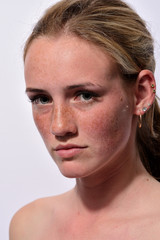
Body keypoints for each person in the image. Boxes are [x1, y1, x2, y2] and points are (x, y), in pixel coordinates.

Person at [10, 0, 160, 239]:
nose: (59, 127)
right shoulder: (28, 226)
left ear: (141, 94)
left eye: (85, 95)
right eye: (41, 99)